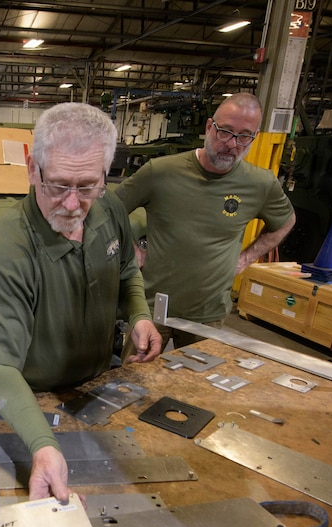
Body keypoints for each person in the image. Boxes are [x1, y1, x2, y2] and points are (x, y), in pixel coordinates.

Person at [0, 102, 163, 504]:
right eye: (57, 186)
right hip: (24, 407)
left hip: (94, 390)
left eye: (88, 186)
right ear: (31, 167)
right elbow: (0, 370)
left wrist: (140, 315)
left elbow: (127, 270)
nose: (73, 204)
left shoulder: (108, 210)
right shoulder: (7, 249)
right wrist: (42, 444)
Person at [113, 92, 296, 348]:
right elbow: (109, 211)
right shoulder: (161, 172)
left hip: (209, 314)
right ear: (209, 127)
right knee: (136, 382)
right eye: (225, 132)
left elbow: (285, 222)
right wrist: (131, 253)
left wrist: (246, 258)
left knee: (199, 382)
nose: (232, 144)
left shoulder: (260, 183)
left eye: (244, 136)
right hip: (152, 307)